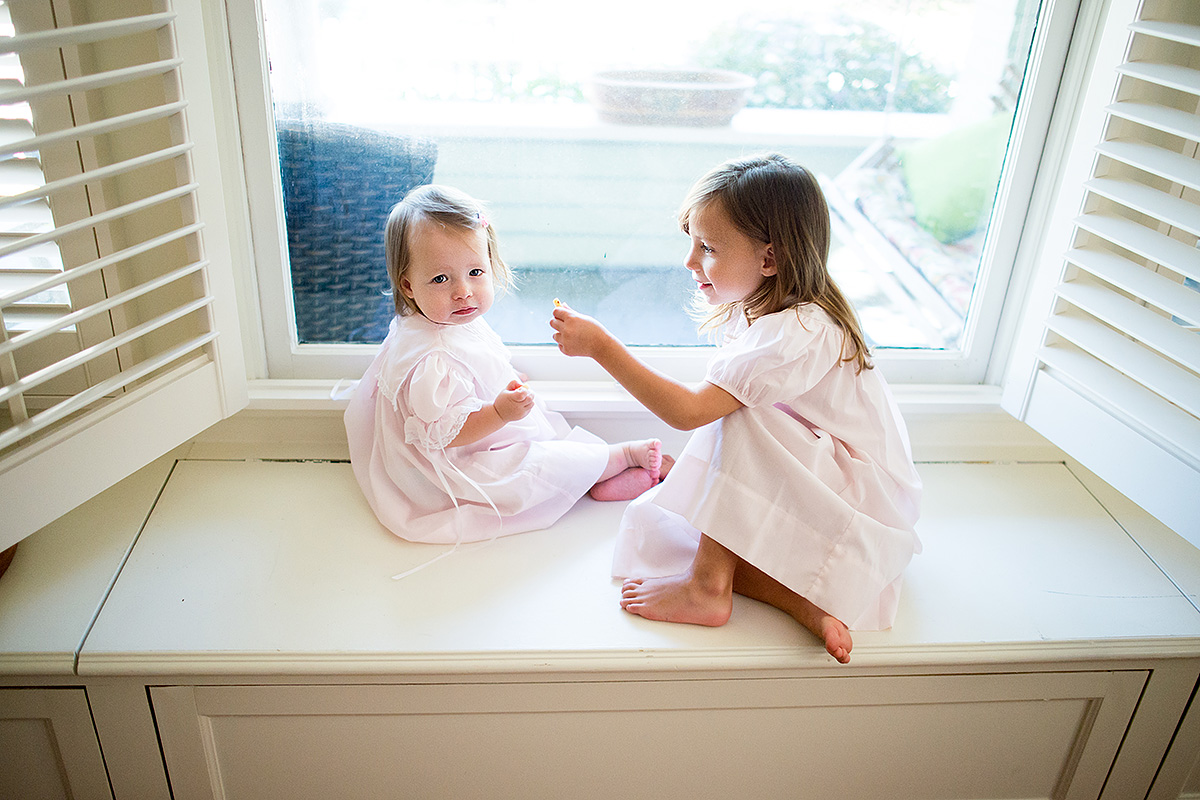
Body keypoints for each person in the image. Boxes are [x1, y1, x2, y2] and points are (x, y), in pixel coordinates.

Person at [550, 154, 921, 663]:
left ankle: (706, 587)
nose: (689, 261)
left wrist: (602, 347)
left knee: (735, 415)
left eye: (707, 247)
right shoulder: (766, 310)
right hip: (828, 478)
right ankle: (804, 606)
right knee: (693, 523)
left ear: (769, 260)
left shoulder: (796, 331)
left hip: (859, 498)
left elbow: (690, 412)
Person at [345, 184, 664, 553]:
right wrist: (498, 411)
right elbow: (451, 433)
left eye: (476, 271)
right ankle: (621, 456)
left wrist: (490, 383)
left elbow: (467, 368)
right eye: (441, 278)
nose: (463, 291)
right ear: (408, 285)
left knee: (543, 442)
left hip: (455, 435)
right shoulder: (434, 356)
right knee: (529, 470)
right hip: (452, 464)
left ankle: (594, 482)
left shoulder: (433, 320)